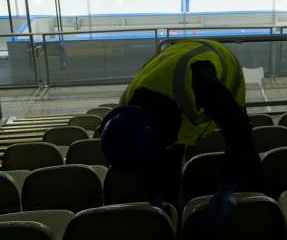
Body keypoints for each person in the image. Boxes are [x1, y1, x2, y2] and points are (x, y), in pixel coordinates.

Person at [99, 39, 256, 221]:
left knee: (244, 151)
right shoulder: (127, 113)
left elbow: (239, 129)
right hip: (175, 65)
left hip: (219, 67)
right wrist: (154, 194)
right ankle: (173, 205)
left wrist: (228, 185)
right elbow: (147, 155)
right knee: (169, 161)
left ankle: (254, 191)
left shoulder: (199, 84)